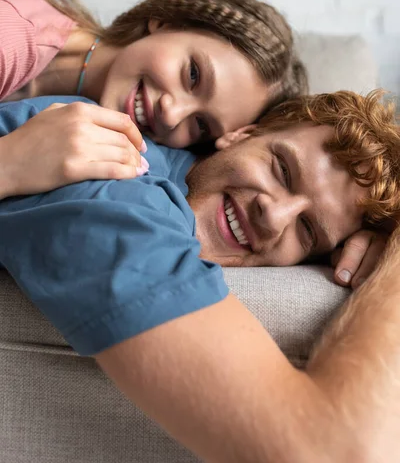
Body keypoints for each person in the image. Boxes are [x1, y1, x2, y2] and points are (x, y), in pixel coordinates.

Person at [0, 89, 399, 462]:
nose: (273, 216)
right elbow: (330, 451)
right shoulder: (117, 195)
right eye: (281, 170)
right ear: (242, 134)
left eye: (308, 230)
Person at [0, 0, 307, 193]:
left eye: (201, 124)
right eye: (193, 75)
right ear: (165, 22)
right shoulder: (11, 36)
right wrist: (12, 164)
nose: (172, 115)